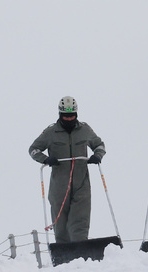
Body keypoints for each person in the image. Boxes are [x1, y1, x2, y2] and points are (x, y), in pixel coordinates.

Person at [29, 96, 106, 243]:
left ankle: (81, 251)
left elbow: (99, 144)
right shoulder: (50, 132)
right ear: (60, 114)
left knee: (80, 220)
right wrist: (45, 159)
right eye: (66, 116)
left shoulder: (85, 129)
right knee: (61, 224)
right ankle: (64, 256)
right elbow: (33, 149)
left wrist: (97, 155)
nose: (69, 119)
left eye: (72, 116)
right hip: (59, 183)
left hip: (81, 182)